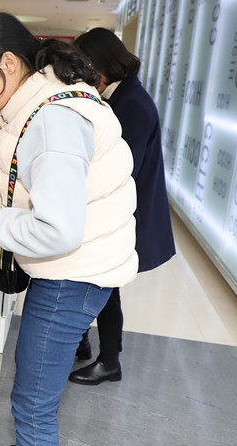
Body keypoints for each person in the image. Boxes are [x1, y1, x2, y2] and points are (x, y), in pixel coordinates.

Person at [0, 13, 138, 446]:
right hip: (77, 268)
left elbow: (57, 229)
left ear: (8, 62)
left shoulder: (54, 119)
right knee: (34, 395)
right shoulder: (39, 102)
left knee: (34, 408)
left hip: (73, 275)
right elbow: (22, 181)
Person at [68, 27, 175, 385]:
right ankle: (81, 343)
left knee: (105, 283)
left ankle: (110, 360)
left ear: (105, 63)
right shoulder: (120, 96)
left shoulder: (133, 104)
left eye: (87, 66)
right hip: (118, 208)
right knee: (95, 278)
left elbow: (120, 165)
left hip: (127, 212)